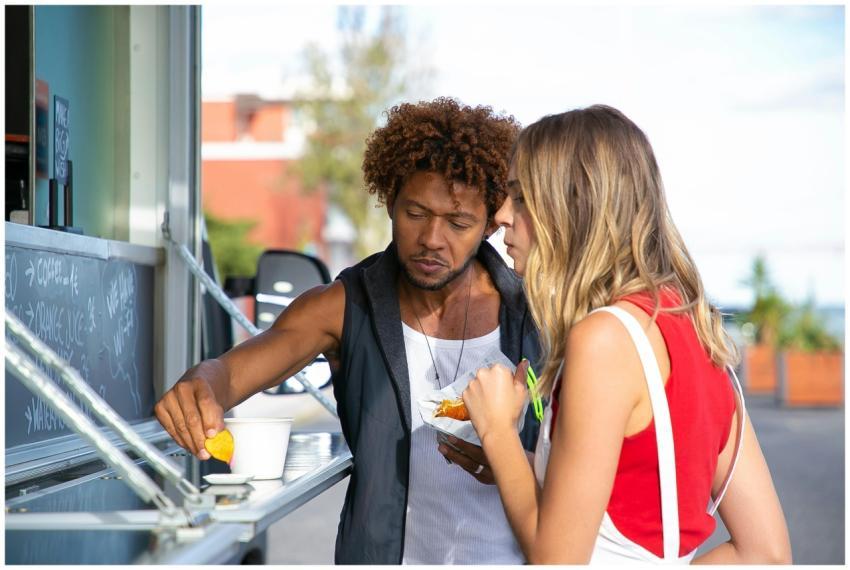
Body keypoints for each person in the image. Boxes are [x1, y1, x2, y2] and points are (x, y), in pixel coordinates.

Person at [154, 97, 542, 564]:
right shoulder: (343, 305)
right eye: (415, 214)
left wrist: (512, 460)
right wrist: (202, 385)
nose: (432, 239)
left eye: (458, 222)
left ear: (488, 226)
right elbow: (231, 374)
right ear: (390, 200)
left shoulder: (537, 312)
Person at [457, 105, 792, 564]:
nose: (500, 216)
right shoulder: (691, 324)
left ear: (574, 206)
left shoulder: (604, 341)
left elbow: (557, 560)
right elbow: (766, 554)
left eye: (519, 196)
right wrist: (514, 465)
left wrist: (498, 433)